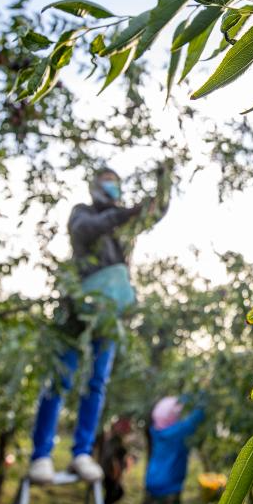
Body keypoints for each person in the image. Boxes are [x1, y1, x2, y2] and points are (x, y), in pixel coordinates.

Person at [28, 165, 171, 484]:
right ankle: (41, 455)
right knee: (60, 377)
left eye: (116, 184)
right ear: (95, 187)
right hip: (76, 307)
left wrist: (165, 180)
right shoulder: (82, 213)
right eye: (108, 184)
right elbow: (87, 230)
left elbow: (155, 211)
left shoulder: (126, 225)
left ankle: (81, 452)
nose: (113, 190)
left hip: (108, 314)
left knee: (97, 383)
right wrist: (125, 212)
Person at [133, 396, 205, 504]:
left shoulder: (156, 431)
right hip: (168, 492)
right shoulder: (178, 433)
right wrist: (201, 393)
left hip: (151, 488)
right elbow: (199, 415)